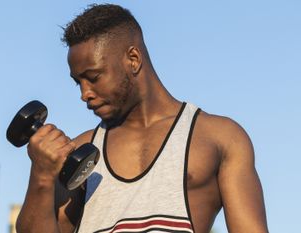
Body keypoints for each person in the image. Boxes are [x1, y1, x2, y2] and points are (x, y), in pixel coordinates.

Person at [16, 4, 268, 233]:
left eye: (93, 77)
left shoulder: (218, 137)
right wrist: (41, 174)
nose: (84, 94)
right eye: (77, 82)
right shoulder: (79, 152)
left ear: (133, 59)